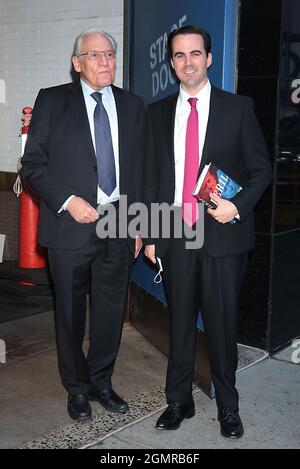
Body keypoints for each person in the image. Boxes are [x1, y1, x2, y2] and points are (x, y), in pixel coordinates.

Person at [144, 25, 272, 439]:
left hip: (223, 235)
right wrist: (149, 234)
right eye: (179, 55)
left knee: (221, 325)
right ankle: (178, 402)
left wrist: (236, 206)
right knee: (180, 322)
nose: (187, 62)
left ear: (209, 58)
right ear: (172, 62)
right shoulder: (158, 112)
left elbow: (261, 170)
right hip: (177, 233)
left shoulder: (238, 108)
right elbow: (151, 180)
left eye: (195, 53)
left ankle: (228, 406)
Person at [22, 28, 146, 422]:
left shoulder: (133, 105)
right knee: (71, 313)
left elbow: (142, 170)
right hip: (69, 224)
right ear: (77, 64)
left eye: (109, 54)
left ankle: (101, 382)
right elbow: (33, 165)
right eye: (94, 55)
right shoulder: (52, 101)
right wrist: (69, 201)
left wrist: (140, 223)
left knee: (110, 312)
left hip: (119, 223)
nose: (105, 61)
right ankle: (76, 388)